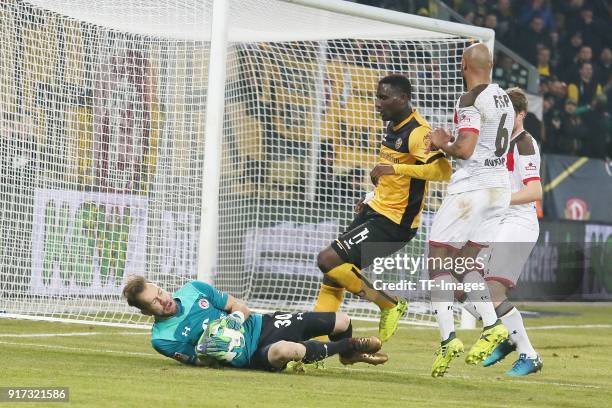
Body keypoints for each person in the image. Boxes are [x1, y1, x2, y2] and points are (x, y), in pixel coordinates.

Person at [313, 74, 452, 342]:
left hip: (394, 223)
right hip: (376, 210)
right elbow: (395, 181)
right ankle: (314, 349)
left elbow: (442, 170)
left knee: (327, 260)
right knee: (334, 276)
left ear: (403, 98)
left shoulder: (417, 132)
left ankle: (388, 304)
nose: (377, 103)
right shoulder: (393, 125)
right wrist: (370, 196)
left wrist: (394, 167)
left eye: (384, 98)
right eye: (377, 97)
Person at [426, 42, 514, 377]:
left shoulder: (470, 98)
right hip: (499, 190)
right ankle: (492, 326)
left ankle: (448, 338)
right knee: (465, 265)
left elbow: (464, 149)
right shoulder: (503, 96)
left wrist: (440, 142)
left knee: (438, 258)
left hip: (472, 190)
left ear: (464, 64)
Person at [122, 276, 387, 371]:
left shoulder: (194, 290)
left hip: (262, 325)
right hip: (249, 356)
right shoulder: (162, 340)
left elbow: (240, 307)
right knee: (286, 350)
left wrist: (235, 320)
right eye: (154, 303)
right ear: (147, 312)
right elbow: (199, 361)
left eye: (160, 293)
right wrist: (212, 348)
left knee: (342, 320)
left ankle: (348, 355)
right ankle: (348, 346)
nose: (162, 300)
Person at [475, 87, 544, 376]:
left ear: (521, 115)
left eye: (507, 114)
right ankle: (506, 336)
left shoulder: (525, 144)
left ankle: (529, 354)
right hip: (497, 221)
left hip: (518, 222)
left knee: (491, 290)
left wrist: (499, 198)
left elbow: (534, 191)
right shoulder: (499, 143)